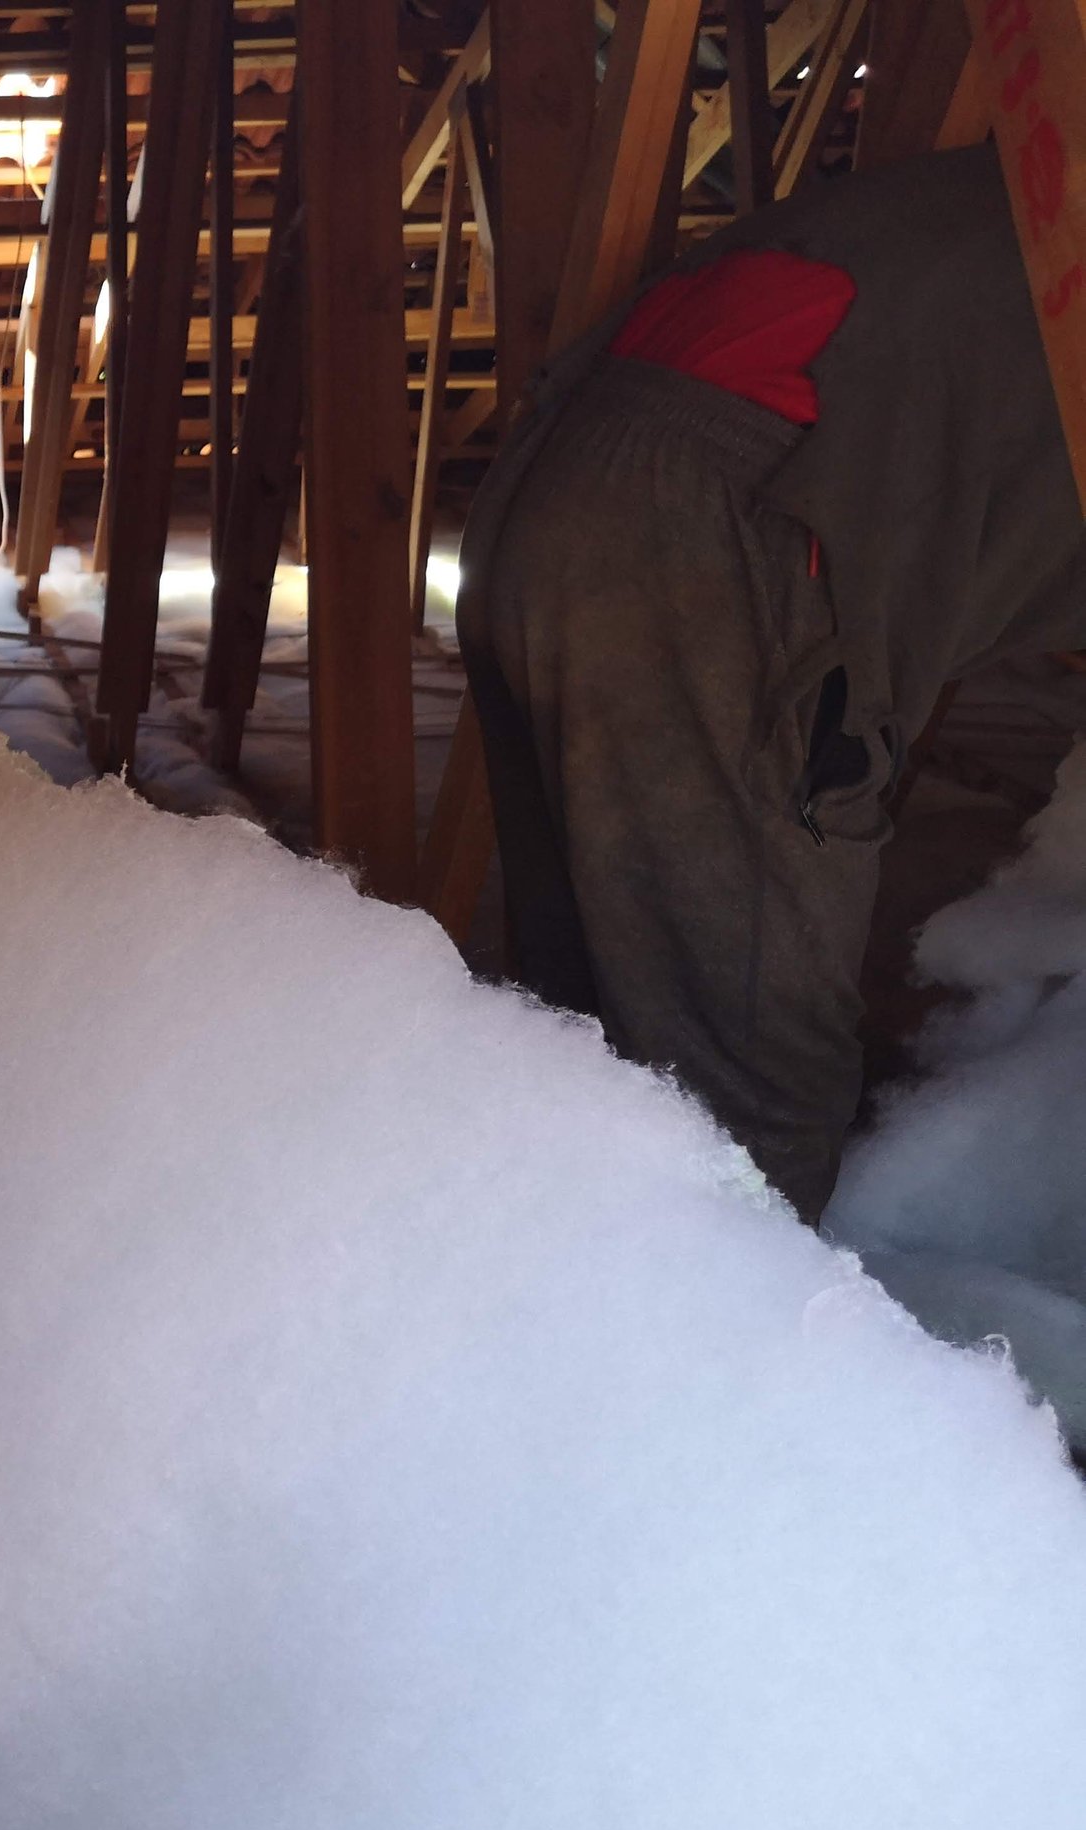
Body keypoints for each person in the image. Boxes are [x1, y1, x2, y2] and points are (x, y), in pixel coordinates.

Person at [456, 145, 1086, 1221]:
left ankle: (536, 1334)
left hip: (566, 471)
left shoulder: (1039, 156)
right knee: (746, 1101)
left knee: (588, 1033)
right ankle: (712, 1380)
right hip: (721, 526)